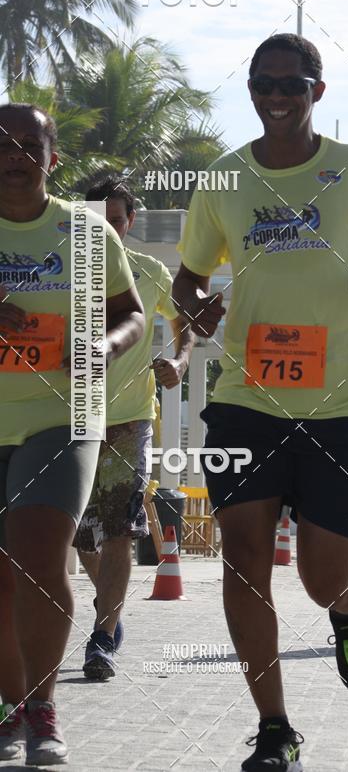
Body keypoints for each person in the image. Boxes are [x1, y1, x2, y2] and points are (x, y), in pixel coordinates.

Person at [173, 33, 348, 771]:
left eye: (292, 84)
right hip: (246, 403)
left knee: (323, 578)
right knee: (243, 558)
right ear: (251, 90)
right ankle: (274, 728)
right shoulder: (224, 182)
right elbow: (189, 277)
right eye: (264, 84)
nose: (277, 97)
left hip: (343, 407)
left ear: (319, 91)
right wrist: (193, 309)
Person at [0, 104, 144, 765]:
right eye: (4, 145)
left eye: (31, 145)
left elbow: (132, 317)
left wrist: (103, 348)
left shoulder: (84, 236)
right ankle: (11, 706)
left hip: (62, 416)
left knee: (37, 552)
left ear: (52, 158)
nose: (16, 155)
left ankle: (44, 707)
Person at [74, 175, 195, 680]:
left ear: (131, 223)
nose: (106, 228)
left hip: (129, 418)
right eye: (95, 219)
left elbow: (186, 320)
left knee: (122, 529)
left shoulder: (148, 272)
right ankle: (111, 605)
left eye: (116, 221)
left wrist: (181, 362)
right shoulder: (61, 270)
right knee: (80, 537)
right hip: (68, 416)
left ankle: (103, 634)